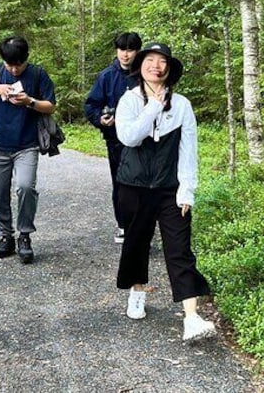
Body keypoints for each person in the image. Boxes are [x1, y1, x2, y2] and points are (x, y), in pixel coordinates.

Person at [114, 42, 217, 342]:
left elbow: (188, 151)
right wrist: (155, 106)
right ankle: (137, 291)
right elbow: (129, 138)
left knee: (179, 249)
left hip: (170, 190)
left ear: (169, 69)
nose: (156, 66)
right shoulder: (129, 101)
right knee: (136, 243)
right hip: (133, 187)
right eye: (150, 60)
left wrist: (188, 191)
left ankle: (192, 316)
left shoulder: (182, 105)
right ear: (140, 65)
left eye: (162, 62)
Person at [0, 36, 57, 264]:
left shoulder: (38, 74)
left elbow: (50, 106)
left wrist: (29, 101)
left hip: (27, 144)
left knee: (25, 187)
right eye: (9, 65)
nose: (13, 69)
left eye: (18, 65)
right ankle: (5, 236)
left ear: (26, 59)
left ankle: (24, 236)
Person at [84, 32, 142, 244]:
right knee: (121, 183)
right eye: (121, 50)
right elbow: (91, 105)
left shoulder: (144, 74)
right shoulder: (107, 76)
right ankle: (123, 225)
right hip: (116, 140)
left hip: (144, 139)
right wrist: (101, 119)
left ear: (137, 51)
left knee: (144, 184)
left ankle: (142, 225)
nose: (125, 55)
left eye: (129, 50)